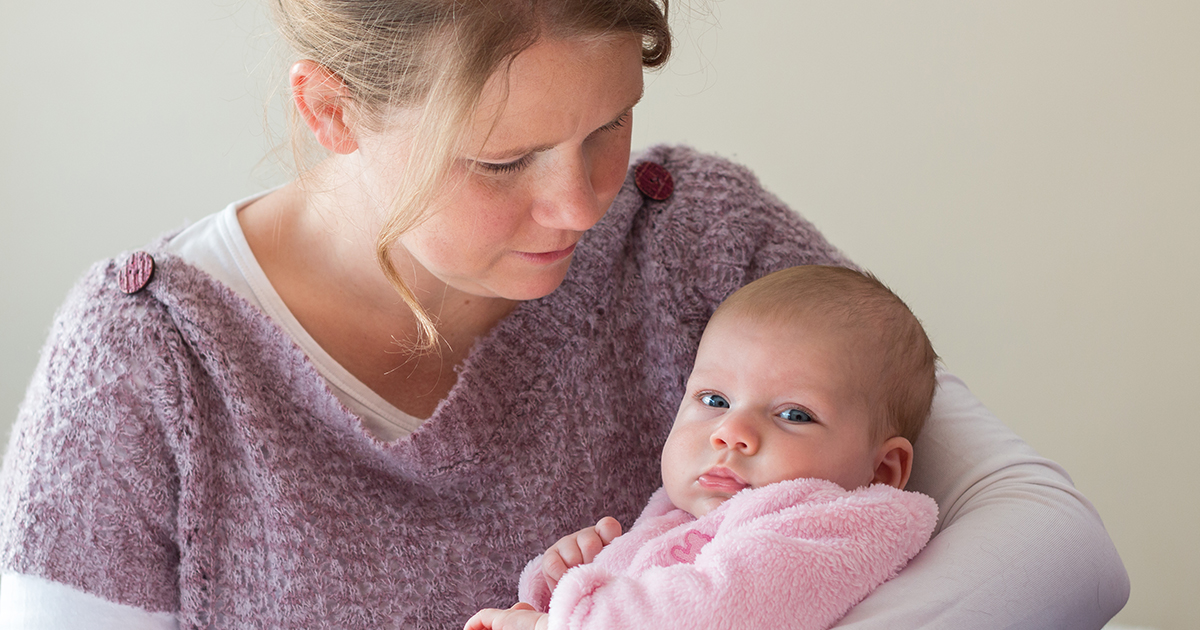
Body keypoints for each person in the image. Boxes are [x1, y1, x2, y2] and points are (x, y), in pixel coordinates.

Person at [0, 0, 1128, 628]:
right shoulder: (150, 365)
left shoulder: (695, 237)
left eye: (608, 127)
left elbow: (1063, 551)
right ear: (330, 110)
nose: (582, 202)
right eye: (501, 161)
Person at [465, 265, 941, 630]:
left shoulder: (830, 528)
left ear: (882, 470)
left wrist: (561, 620)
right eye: (715, 400)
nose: (731, 433)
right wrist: (559, 584)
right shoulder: (678, 514)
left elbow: (709, 610)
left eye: (793, 414)